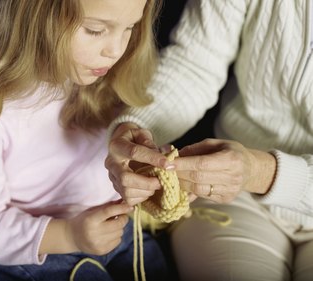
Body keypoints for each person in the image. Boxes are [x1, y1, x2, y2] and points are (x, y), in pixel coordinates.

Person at [0, 0, 169, 280]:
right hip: (43, 250)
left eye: (130, 28)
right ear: (33, 15)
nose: (116, 50)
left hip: (120, 233)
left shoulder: (107, 77)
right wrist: (69, 235)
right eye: (95, 30)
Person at [105, 0, 313, 280]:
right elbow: (195, 63)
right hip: (230, 194)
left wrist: (261, 172)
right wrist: (138, 127)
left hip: (241, 175)